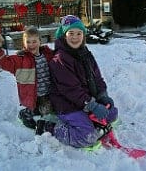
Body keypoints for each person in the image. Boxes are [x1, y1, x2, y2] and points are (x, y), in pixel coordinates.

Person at [46, 15, 118, 148]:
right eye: (71, 33)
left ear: (83, 35)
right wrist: (93, 106)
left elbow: (97, 77)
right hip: (67, 104)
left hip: (86, 100)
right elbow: (71, 90)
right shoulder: (59, 59)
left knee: (112, 113)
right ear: (64, 35)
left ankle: (89, 120)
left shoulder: (86, 53)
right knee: (87, 137)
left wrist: (103, 96)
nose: (75, 37)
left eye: (79, 33)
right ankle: (51, 127)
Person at [0, 26, 54, 129]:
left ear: (40, 41)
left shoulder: (48, 54)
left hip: (48, 93)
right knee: (34, 110)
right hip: (32, 95)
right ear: (23, 43)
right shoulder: (20, 59)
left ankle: (41, 109)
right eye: (28, 42)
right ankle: (24, 114)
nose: (31, 45)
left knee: (49, 109)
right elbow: (5, 63)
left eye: (34, 41)